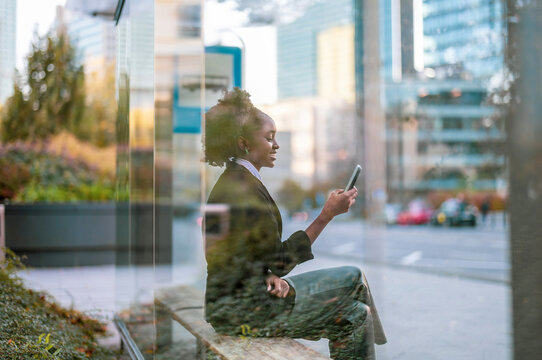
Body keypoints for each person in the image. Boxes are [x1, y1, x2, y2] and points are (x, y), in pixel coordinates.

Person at [203, 88, 386, 359]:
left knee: (355, 314)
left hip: (231, 307)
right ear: (244, 143)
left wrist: (263, 274)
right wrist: (326, 215)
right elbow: (279, 261)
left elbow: (228, 253)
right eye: (269, 138)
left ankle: (376, 341)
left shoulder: (231, 182)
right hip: (248, 313)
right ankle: (381, 344)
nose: (276, 145)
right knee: (354, 277)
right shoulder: (244, 188)